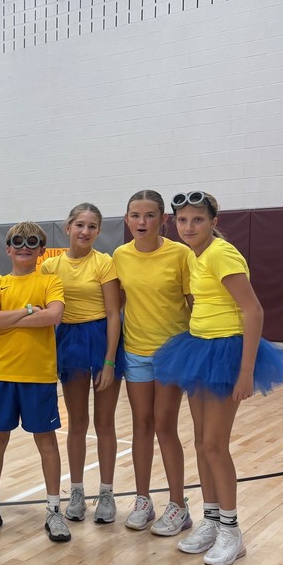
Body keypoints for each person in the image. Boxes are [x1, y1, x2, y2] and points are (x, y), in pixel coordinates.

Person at [155, 191, 283, 565]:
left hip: (225, 353)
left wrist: (245, 370)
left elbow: (254, 311)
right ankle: (212, 520)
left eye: (197, 220)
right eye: (183, 220)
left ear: (214, 222)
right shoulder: (195, 255)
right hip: (198, 347)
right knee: (202, 443)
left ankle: (232, 531)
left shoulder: (221, 253)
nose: (189, 227)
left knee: (215, 445)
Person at [0, 222, 68, 542]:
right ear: (8, 248)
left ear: (41, 250)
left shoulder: (50, 280)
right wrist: (27, 311)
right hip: (1, 375)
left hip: (38, 376)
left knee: (47, 443)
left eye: (33, 242)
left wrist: (9, 318)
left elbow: (53, 316)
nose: (25, 246)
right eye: (18, 242)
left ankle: (54, 511)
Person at [113, 190, 195, 534]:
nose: (141, 222)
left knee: (165, 426)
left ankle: (178, 505)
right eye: (135, 215)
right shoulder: (119, 255)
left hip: (172, 352)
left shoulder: (181, 253)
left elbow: (195, 303)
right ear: (127, 218)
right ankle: (143, 500)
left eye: (149, 216)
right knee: (141, 426)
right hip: (135, 352)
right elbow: (115, 307)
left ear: (163, 219)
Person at [40, 203, 124, 524]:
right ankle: (76, 491)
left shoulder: (104, 263)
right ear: (68, 227)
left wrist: (110, 360)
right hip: (70, 342)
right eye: (80, 225)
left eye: (92, 226)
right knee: (77, 423)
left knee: (105, 422)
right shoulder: (50, 267)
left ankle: (106, 493)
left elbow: (114, 312)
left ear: (99, 231)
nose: (85, 231)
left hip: (103, 339)